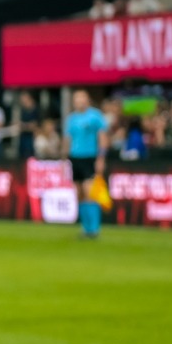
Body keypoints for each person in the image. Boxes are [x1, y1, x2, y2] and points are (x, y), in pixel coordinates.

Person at [64, 88, 109, 239]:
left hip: (89, 157)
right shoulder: (71, 119)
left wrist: (101, 158)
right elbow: (67, 139)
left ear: (87, 99)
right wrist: (64, 159)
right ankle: (85, 228)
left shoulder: (95, 116)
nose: (79, 101)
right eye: (76, 98)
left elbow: (103, 138)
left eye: (82, 98)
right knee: (79, 193)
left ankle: (94, 229)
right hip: (74, 158)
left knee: (89, 192)